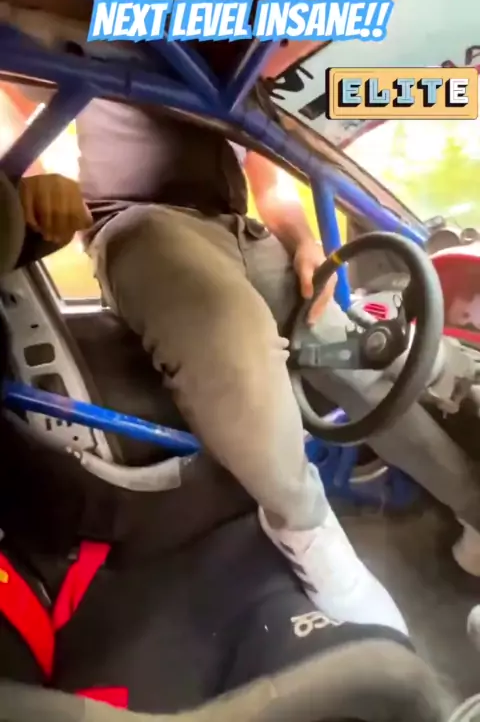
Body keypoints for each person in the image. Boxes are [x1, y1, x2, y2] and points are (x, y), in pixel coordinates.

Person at [13, 100, 475, 624]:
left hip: (244, 233)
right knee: (230, 332)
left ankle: (472, 506)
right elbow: (12, 91)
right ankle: (305, 529)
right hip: (139, 222)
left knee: (357, 355)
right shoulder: (117, 51)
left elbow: (269, 182)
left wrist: (304, 243)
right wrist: (35, 171)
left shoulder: (234, 78)